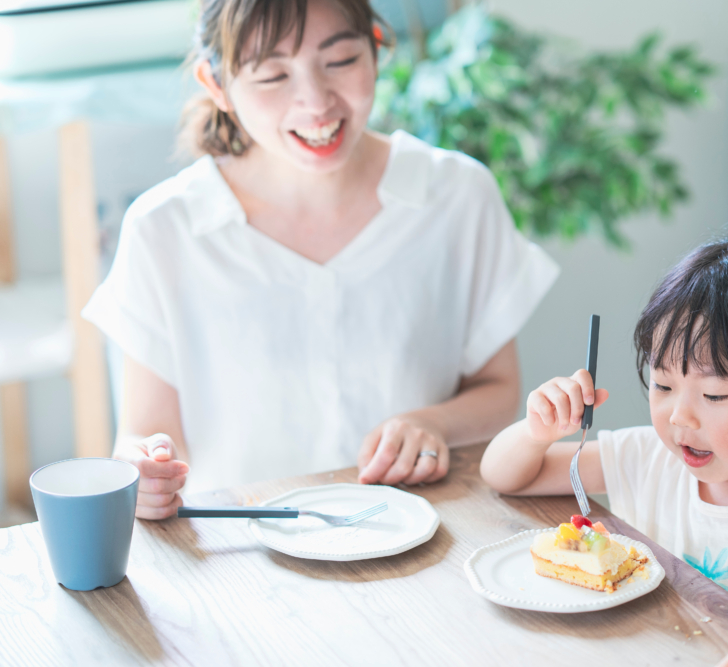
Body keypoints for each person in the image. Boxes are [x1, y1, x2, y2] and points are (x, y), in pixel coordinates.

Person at [83, 0, 558, 519]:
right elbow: (144, 434)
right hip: (241, 556)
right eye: (272, 75)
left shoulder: (457, 195)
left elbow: (498, 390)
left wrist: (434, 423)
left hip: (423, 539)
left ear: (376, 48)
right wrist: (144, 472)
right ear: (216, 84)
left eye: (339, 61)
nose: (315, 102)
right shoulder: (164, 228)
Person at [480, 237, 728, 665]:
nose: (679, 418)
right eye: (664, 386)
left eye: (713, 396)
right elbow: (505, 475)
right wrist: (536, 432)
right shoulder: (649, 457)